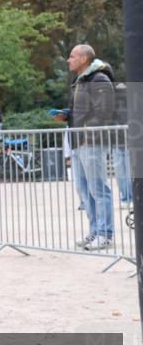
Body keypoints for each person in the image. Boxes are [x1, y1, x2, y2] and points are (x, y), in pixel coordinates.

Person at [53, 44, 116, 251]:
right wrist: (66, 115)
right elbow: (79, 111)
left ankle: (105, 234)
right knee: (83, 188)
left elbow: (105, 112)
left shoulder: (99, 79)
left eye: (72, 56)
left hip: (92, 142)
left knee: (98, 188)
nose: (68, 60)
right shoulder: (79, 81)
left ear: (83, 59)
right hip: (78, 141)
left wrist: (89, 133)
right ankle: (95, 230)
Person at [113, 82, 133, 208]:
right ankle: (126, 197)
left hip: (129, 144)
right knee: (121, 173)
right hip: (116, 144)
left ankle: (129, 197)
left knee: (127, 172)